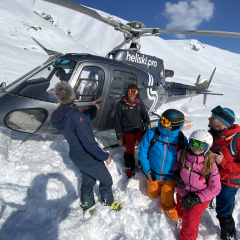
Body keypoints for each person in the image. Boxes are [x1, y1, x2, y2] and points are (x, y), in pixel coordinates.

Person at [51, 81, 121, 211]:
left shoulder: (61, 113)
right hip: (86, 156)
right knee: (106, 180)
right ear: (73, 96)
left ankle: (87, 203)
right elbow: (89, 143)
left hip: (76, 154)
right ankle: (108, 202)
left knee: (88, 179)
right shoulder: (76, 117)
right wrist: (104, 156)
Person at [138, 109, 188, 226]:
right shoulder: (152, 133)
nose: (161, 123)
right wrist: (148, 172)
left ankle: (176, 220)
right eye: (161, 119)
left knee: (167, 203)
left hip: (170, 178)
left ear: (175, 125)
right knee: (152, 195)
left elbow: (184, 160)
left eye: (165, 121)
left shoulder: (181, 139)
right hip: (153, 174)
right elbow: (142, 152)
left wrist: (179, 176)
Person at [173, 130, 221, 240]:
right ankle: (181, 219)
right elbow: (177, 164)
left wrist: (196, 198)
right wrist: (176, 172)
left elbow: (215, 188)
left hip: (199, 197)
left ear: (207, 147)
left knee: (190, 220)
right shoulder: (182, 154)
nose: (197, 148)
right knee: (181, 209)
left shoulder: (210, 164)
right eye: (194, 143)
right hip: (182, 191)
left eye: (202, 145)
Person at [208, 106, 240, 240]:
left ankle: (229, 235)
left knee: (224, 212)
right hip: (210, 177)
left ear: (223, 122)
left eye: (213, 117)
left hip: (227, 182)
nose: (209, 118)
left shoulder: (236, 139)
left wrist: (223, 162)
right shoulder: (212, 134)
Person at [114, 83, 150, 178]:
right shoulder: (121, 104)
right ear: (127, 91)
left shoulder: (140, 104)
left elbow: (146, 119)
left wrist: (147, 132)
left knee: (147, 146)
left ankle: (145, 165)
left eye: (135, 91)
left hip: (139, 129)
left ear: (137, 93)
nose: (132, 94)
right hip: (127, 131)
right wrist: (119, 137)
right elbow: (117, 122)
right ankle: (130, 170)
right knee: (129, 151)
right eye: (131, 91)